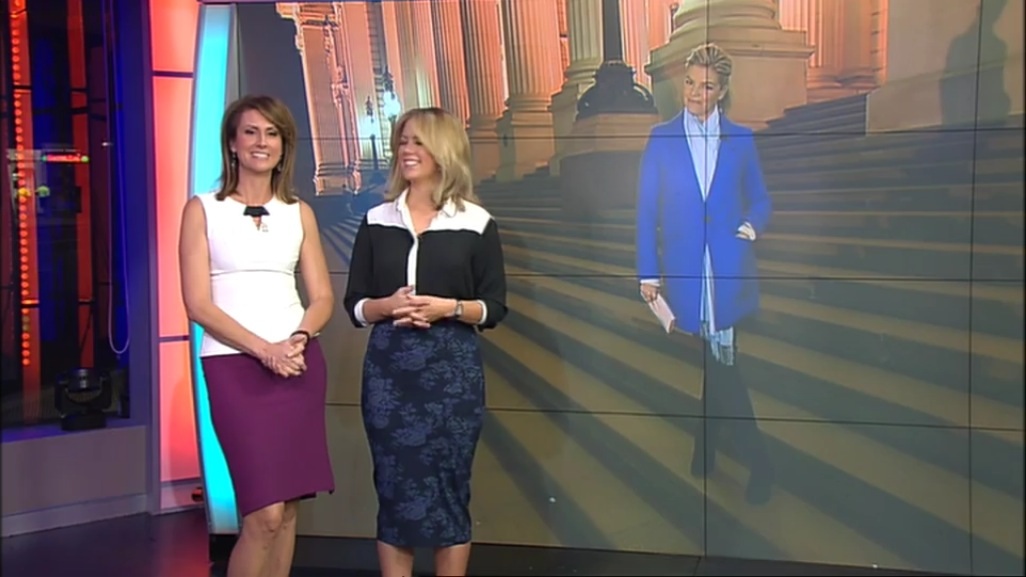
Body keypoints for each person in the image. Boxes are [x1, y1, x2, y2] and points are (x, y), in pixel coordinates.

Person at [343, 107, 508, 577]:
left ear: (444, 150)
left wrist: (448, 308)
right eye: (403, 141)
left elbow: (493, 307)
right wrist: (387, 305)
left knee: (449, 488)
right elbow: (355, 305)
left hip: (451, 372)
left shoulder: (475, 223)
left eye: (418, 142)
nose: (407, 150)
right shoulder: (376, 220)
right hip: (389, 373)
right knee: (394, 488)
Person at [178, 94, 336, 577]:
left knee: (286, 511)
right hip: (234, 366)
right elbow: (198, 304)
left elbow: (322, 297)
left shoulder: (298, 212)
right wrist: (265, 350)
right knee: (263, 513)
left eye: (272, 133)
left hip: (297, 363)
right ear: (232, 142)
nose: (261, 142)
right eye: (250, 132)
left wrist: (298, 339)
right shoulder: (203, 210)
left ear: (284, 145)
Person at [635, 43, 775, 504]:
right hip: (686, 272)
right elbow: (645, 211)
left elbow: (761, 199)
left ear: (723, 90)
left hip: (728, 272)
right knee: (719, 364)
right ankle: (716, 450)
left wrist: (750, 228)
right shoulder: (661, 138)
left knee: (722, 364)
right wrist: (647, 272)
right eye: (690, 83)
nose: (696, 94)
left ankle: (754, 463)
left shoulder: (741, 140)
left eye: (708, 86)